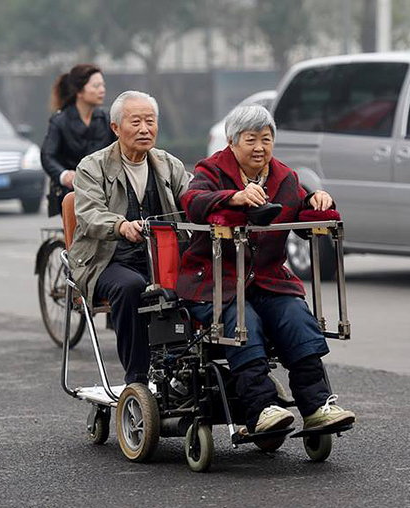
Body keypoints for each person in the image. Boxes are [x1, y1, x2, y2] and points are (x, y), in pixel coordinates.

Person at [177, 105, 356, 434]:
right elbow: (193, 201)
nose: (260, 147)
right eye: (251, 139)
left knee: (297, 316)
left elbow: (301, 209)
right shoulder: (211, 170)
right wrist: (234, 198)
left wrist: (318, 198)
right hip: (218, 281)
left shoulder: (283, 177)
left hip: (268, 280)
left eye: (266, 139)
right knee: (244, 320)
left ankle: (316, 406)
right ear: (232, 142)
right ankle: (260, 409)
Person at [69, 90, 193, 385]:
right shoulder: (92, 166)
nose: (144, 129)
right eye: (135, 121)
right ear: (115, 128)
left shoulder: (168, 164)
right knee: (132, 286)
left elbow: (193, 198)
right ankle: (137, 378)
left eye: (150, 121)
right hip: (104, 260)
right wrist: (121, 226)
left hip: (159, 258)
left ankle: (182, 371)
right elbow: (89, 214)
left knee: (197, 282)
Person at [41, 64, 115, 217]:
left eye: (103, 85)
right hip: (71, 191)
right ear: (79, 91)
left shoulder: (107, 119)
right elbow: (47, 155)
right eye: (96, 85)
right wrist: (64, 175)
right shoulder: (59, 121)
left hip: (103, 190)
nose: (102, 90)